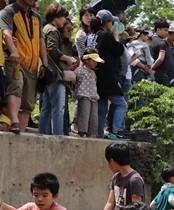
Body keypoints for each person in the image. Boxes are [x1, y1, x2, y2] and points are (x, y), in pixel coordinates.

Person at [0, 0, 50, 133]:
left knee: (28, 102)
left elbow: (41, 42)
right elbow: (6, 34)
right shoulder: (8, 12)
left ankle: (20, 133)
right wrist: (14, 51)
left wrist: (44, 64)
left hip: (32, 65)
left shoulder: (36, 17)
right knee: (16, 86)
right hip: (15, 61)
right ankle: (15, 121)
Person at [39, 3, 74, 136]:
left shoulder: (45, 28)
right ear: (56, 17)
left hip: (49, 73)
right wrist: (67, 58)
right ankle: (58, 137)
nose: (65, 20)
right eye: (63, 17)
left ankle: (43, 135)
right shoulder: (53, 30)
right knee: (59, 108)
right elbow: (52, 50)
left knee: (46, 108)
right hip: (55, 74)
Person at [94, 143, 145, 210]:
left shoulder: (134, 180)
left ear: (111, 161)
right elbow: (110, 203)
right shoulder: (115, 177)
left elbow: (137, 209)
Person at [91, 9, 126, 138]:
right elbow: (119, 50)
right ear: (106, 23)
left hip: (98, 76)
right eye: (111, 22)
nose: (112, 25)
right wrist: (116, 37)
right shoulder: (105, 36)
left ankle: (99, 133)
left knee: (101, 109)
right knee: (121, 104)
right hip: (108, 77)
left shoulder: (93, 35)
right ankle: (115, 131)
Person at [74, 49, 102, 137]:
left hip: (94, 97)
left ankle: (91, 135)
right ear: (87, 60)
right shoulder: (79, 71)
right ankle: (82, 134)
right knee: (84, 116)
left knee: (93, 118)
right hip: (84, 96)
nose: (95, 63)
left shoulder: (93, 73)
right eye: (94, 61)